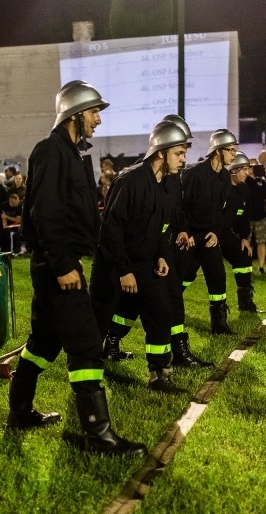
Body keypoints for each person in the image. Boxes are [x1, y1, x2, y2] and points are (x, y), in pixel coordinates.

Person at [10, 80, 146, 457]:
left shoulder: (70, 152)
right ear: (75, 114)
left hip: (60, 265)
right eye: (94, 112)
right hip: (59, 267)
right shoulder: (52, 150)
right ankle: (98, 436)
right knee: (87, 344)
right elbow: (46, 212)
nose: (98, 120)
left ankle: (19, 412)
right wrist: (62, 264)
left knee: (43, 344)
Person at [90, 121, 189, 393]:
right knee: (98, 320)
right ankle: (87, 378)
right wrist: (124, 271)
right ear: (161, 152)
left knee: (161, 312)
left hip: (146, 263)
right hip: (113, 264)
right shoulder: (129, 180)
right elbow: (111, 230)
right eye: (179, 153)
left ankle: (159, 375)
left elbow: (162, 228)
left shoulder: (168, 183)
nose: (183, 159)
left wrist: (162, 256)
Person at [179, 129, 237, 334]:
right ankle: (167, 311)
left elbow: (223, 211)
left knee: (218, 277)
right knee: (183, 277)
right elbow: (179, 205)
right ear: (217, 151)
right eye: (230, 150)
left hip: (209, 237)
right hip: (189, 238)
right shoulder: (193, 173)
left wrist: (216, 232)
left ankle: (219, 324)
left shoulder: (225, 177)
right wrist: (185, 231)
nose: (234, 155)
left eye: (235, 150)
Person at [224, 152, 261, 312]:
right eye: (244, 169)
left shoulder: (244, 189)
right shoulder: (220, 187)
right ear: (233, 170)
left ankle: (245, 303)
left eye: (248, 169)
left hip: (225, 234)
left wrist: (244, 238)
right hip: (209, 234)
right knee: (189, 271)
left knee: (244, 257)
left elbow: (245, 216)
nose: (248, 173)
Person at [246, 164, 266, 273]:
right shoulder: (243, 182)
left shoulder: (261, 182)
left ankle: (261, 266)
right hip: (247, 218)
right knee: (246, 242)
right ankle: (246, 264)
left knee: (261, 242)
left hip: (260, 217)